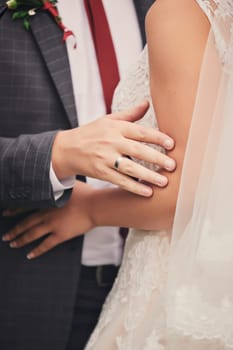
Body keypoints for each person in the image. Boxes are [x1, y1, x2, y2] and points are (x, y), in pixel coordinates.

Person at [6, 0, 233, 348]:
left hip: (177, 287)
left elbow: (195, 183)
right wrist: (56, 155)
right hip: (32, 286)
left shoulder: (184, 8)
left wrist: (92, 209)